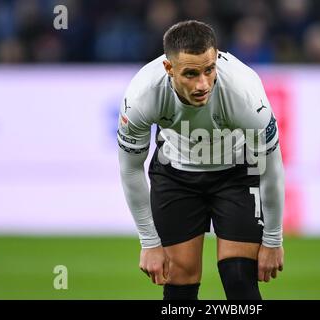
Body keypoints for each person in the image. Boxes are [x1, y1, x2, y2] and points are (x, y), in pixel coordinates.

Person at [117, 20, 285, 300]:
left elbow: (271, 168)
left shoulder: (244, 95)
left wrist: (273, 239)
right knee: (179, 285)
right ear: (169, 69)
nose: (203, 84)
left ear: (216, 56)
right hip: (175, 176)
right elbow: (131, 169)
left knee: (239, 280)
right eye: (191, 74)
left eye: (209, 70)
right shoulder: (142, 97)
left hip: (237, 174)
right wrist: (149, 242)